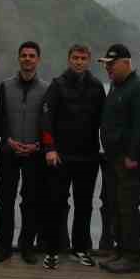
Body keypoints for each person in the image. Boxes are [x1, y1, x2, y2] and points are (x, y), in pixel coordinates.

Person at [40, 44, 106, 267]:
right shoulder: (57, 85)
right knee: (55, 204)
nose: (79, 62)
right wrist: (49, 148)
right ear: (69, 59)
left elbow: (104, 121)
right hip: (61, 156)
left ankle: (80, 249)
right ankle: (52, 251)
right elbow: (46, 119)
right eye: (75, 58)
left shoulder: (97, 87)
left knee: (84, 205)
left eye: (83, 58)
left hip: (88, 156)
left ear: (89, 61)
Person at [100, 45, 140, 274]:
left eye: (112, 64)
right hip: (113, 158)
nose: (108, 68)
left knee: (128, 207)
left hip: (128, 160)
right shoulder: (116, 86)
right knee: (115, 205)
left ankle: (132, 256)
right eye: (106, 65)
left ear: (126, 63)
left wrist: (133, 155)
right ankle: (120, 250)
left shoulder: (138, 88)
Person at [0, 42, 47, 264]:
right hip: (9, 152)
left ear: (38, 60)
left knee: (31, 201)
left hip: (34, 154)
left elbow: (47, 122)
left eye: (31, 56)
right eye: (24, 55)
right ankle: (3, 247)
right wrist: (8, 140)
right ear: (19, 58)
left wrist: (38, 144)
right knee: (5, 200)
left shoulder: (46, 88)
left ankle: (27, 247)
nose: (27, 59)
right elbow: (0, 118)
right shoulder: (5, 86)